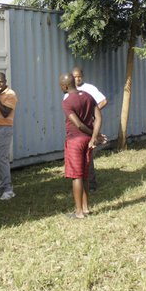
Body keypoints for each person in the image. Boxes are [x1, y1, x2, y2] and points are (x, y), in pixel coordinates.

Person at [59, 73, 102, 219]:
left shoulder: (67, 102)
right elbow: (98, 117)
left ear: (65, 86)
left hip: (74, 141)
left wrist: (95, 135)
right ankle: (86, 208)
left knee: (76, 176)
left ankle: (78, 212)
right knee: (85, 174)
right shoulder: (88, 96)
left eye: (61, 86)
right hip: (87, 141)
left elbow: (78, 124)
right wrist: (95, 136)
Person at [71, 66, 107, 191]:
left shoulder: (89, 89)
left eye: (79, 76)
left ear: (83, 76)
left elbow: (103, 101)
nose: (77, 79)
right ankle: (79, 181)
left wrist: (92, 113)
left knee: (88, 155)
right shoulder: (70, 90)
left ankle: (91, 184)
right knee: (77, 156)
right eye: (75, 77)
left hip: (87, 126)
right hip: (75, 129)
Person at [0, 72, 18, 200]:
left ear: (5, 81)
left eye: (1, 81)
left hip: (4, 129)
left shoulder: (11, 94)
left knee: (1, 159)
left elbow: (5, 113)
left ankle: (8, 190)